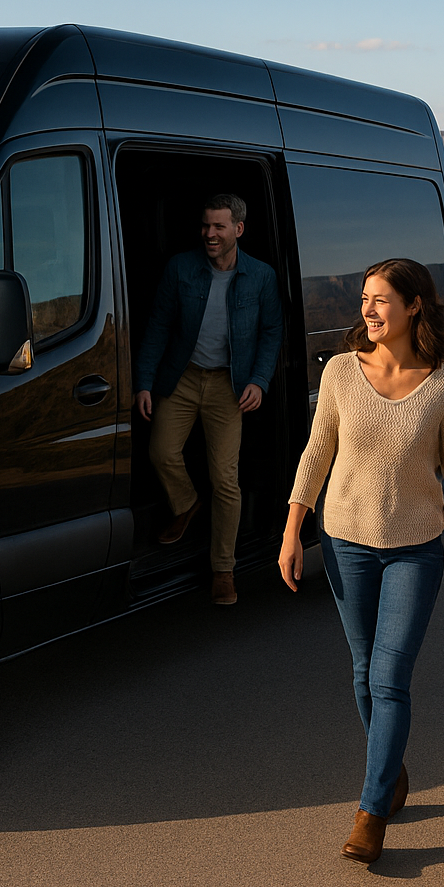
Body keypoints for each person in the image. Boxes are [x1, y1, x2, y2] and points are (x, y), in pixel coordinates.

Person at [279, 257, 444, 864]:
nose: (367, 309)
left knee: (389, 679)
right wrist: (293, 529)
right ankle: (391, 772)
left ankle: (371, 812)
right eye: (364, 298)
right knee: (363, 672)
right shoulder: (341, 371)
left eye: (381, 299)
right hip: (344, 542)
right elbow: (317, 452)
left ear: (414, 306)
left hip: (415, 549)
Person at [134, 194, 283, 605]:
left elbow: (272, 332)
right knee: (161, 451)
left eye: (218, 227)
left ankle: (223, 570)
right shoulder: (182, 268)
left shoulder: (261, 276)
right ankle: (186, 503)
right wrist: (144, 381)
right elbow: (158, 326)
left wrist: (259, 380)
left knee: (225, 478)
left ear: (238, 229)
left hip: (228, 385)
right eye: (205, 226)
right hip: (182, 376)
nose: (209, 234)